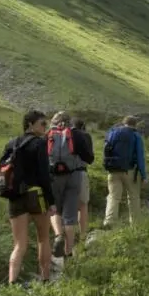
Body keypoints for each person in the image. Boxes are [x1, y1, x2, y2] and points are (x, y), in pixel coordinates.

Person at [2, 110, 56, 284]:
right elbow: (44, 175)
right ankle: (46, 279)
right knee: (44, 238)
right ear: (30, 124)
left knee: (19, 244)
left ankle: (12, 282)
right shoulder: (39, 144)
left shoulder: (11, 143)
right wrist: (52, 201)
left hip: (15, 196)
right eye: (42, 123)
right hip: (36, 195)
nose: (45, 127)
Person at [46, 111, 92, 259]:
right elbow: (89, 158)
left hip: (53, 177)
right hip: (74, 176)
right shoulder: (77, 134)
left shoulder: (48, 134)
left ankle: (59, 235)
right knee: (70, 215)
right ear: (69, 121)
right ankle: (68, 253)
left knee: (55, 210)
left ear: (53, 121)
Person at [103, 115, 148, 228]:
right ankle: (135, 225)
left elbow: (106, 149)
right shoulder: (135, 135)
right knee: (133, 197)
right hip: (130, 171)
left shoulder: (113, 132)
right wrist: (143, 175)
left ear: (123, 123)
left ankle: (109, 222)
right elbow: (140, 157)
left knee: (113, 197)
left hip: (113, 170)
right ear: (135, 124)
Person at [71, 117, 95, 239]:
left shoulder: (64, 134)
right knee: (83, 205)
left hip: (63, 174)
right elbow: (90, 158)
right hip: (81, 172)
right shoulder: (86, 136)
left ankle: (68, 234)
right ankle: (83, 234)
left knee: (68, 205)